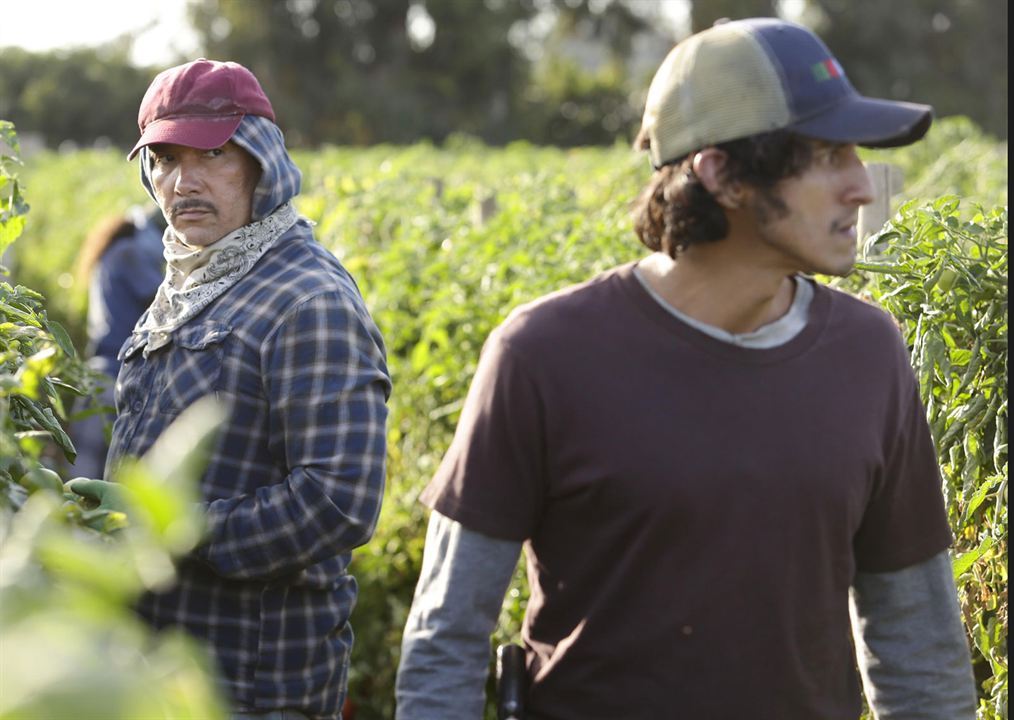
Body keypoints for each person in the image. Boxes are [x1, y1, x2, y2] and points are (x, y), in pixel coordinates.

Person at [395, 18, 976, 720]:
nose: (859, 184)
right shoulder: (543, 356)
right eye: (825, 154)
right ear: (722, 174)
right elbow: (446, 640)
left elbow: (917, 645)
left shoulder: (869, 353)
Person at [67, 59, 391, 720]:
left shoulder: (307, 299)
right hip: (173, 669)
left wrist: (174, 531)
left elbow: (338, 501)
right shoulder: (196, 274)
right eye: (164, 159)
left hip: (255, 683)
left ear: (260, 163)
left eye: (212, 155)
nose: (184, 182)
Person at [67, 205, 166, 479]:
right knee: (98, 476)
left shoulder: (119, 250)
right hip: (116, 376)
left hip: (100, 372)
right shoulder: (132, 253)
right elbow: (165, 304)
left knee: (84, 471)